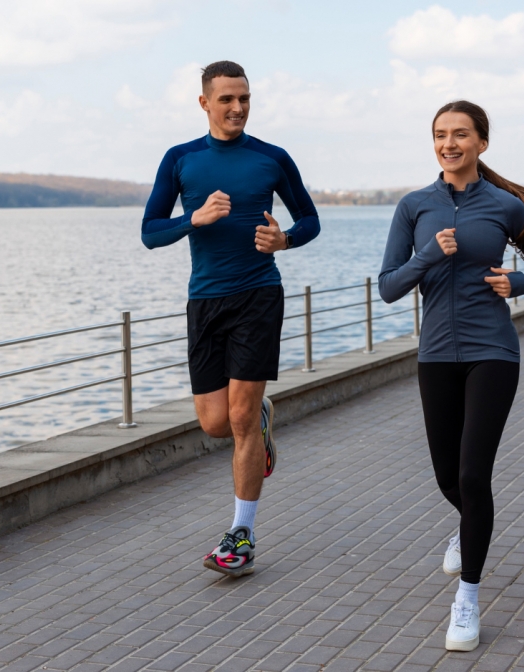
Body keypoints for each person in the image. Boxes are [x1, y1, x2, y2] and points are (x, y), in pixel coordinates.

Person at [378, 100, 524, 650]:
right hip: (436, 354)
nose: (449, 143)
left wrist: (521, 284)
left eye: (460, 134)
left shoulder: (506, 207)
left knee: (471, 475)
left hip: (494, 352)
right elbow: (389, 286)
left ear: (481, 143)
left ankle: (467, 598)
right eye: (440, 135)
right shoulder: (414, 206)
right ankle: (469, 530)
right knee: (447, 476)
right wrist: (427, 259)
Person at [141, 60, 320, 578]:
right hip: (206, 301)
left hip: (259, 295)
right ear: (205, 103)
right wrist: (190, 220)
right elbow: (150, 231)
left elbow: (309, 218)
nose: (238, 107)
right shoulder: (180, 160)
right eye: (226, 99)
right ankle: (261, 421)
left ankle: (241, 535)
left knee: (237, 420)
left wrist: (285, 239)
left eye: (244, 98)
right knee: (215, 422)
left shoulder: (271, 158)